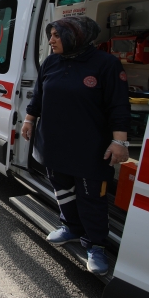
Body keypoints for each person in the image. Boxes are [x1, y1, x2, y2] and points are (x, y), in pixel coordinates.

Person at [21, 16, 130, 276]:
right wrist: (28, 120)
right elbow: (39, 95)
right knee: (62, 189)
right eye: (51, 35)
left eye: (57, 35)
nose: (51, 40)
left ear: (77, 35)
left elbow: (119, 105)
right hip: (54, 144)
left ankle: (96, 245)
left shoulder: (106, 64)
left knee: (92, 197)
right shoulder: (51, 62)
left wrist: (119, 141)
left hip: (90, 148)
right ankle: (71, 226)